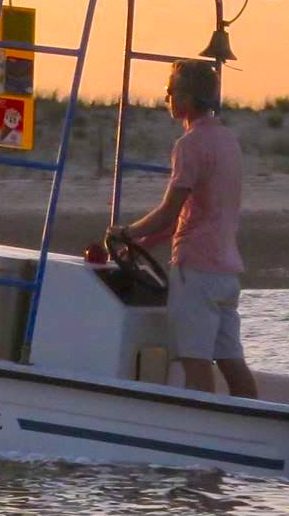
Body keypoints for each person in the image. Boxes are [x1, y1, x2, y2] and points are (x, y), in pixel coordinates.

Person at [107, 60, 257, 399]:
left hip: (196, 272)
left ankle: (200, 437)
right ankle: (249, 425)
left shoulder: (189, 145)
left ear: (187, 99)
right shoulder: (228, 141)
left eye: (170, 91)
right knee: (233, 362)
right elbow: (181, 219)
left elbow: (168, 213)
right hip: (226, 273)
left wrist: (125, 233)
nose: (167, 98)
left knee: (196, 363)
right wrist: (139, 242)